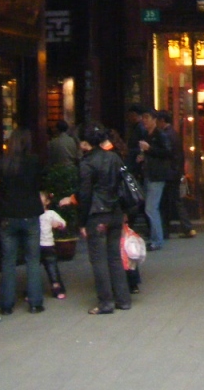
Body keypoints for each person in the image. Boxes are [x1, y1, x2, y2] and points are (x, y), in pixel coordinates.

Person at [76, 125, 131, 314]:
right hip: (115, 211)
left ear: (85, 143)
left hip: (97, 214)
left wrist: (82, 221)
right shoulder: (114, 157)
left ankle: (106, 301)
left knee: (98, 259)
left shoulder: (86, 163)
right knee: (114, 256)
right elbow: (125, 182)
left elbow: (84, 194)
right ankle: (123, 299)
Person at [0, 128, 45, 314]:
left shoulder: (4, 162)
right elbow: (41, 184)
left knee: (8, 260)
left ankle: (6, 304)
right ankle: (35, 302)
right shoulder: (34, 161)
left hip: (8, 214)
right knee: (33, 259)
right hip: (30, 213)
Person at [137, 108, 175, 250]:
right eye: (143, 118)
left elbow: (167, 152)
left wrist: (149, 149)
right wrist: (143, 156)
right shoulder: (147, 134)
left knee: (151, 208)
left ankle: (157, 239)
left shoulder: (160, 135)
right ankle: (155, 237)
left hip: (157, 175)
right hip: (149, 174)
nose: (144, 121)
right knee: (151, 208)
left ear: (154, 120)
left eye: (147, 118)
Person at [158, 110, 195, 238]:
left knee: (171, 201)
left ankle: (183, 227)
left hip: (170, 172)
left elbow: (168, 154)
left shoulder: (166, 135)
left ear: (162, 121)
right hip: (175, 171)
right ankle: (186, 228)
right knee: (174, 200)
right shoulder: (173, 134)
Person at [38, 191, 67, 299]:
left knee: (52, 267)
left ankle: (57, 288)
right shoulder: (32, 215)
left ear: (47, 202)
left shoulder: (50, 213)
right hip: (34, 244)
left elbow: (63, 223)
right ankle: (32, 290)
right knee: (33, 269)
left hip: (47, 244)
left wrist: (59, 224)